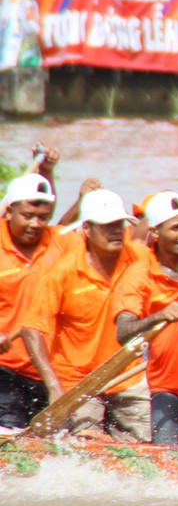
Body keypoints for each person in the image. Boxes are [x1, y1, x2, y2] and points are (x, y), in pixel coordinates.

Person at [22, 190, 147, 440]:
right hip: (79, 381)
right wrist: (54, 386)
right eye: (106, 225)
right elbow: (31, 329)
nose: (115, 231)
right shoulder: (62, 272)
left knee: (145, 450)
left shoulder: (141, 258)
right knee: (89, 444)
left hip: (129, 376)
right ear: (87, 229)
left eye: (119, 224)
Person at [113, 192, 178, 445]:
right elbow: (124, 333)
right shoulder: (138, 275)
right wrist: (159, 316)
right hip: (168, 384)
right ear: (156, 231)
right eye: (176, 228)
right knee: (166, 454)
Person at [0, 167, 70, 427]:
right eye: (28, 216)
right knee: (10, 429)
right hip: (5, 366)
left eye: (43, 217)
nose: (35, 224)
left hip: (52, 369)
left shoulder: (63, 241)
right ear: (10, 210)